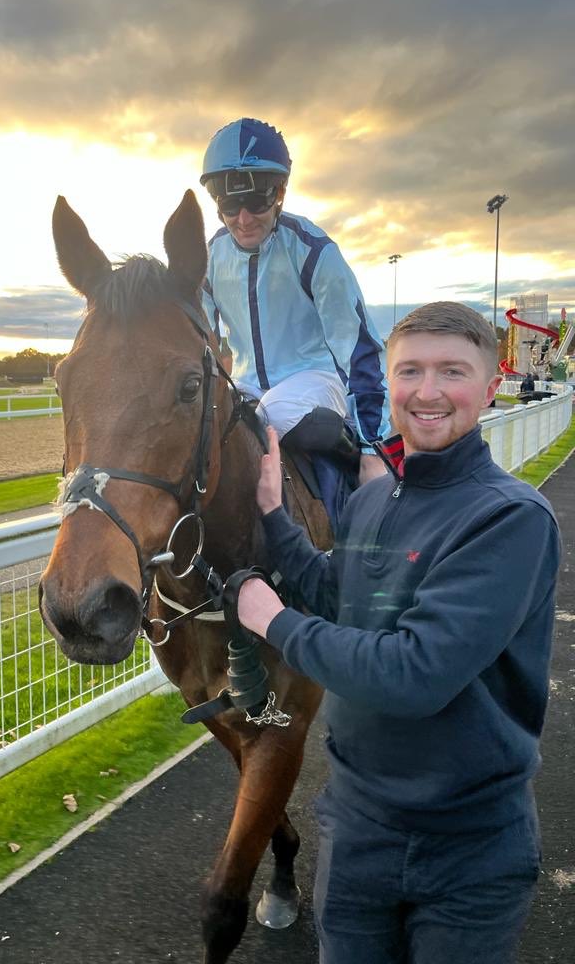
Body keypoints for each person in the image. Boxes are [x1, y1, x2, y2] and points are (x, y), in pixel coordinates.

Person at [236, 301, 560, 963]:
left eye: (452, 371)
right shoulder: (372, 501)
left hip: (467, 849)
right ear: (388, 385)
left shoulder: (511, 518)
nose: (429, 391)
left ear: (492, 385)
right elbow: (339, 598)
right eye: (410, 371)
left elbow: (413, 675)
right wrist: (274, 516)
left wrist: (272, 620)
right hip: (359, 831)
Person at [199, 117, 390, 485]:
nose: (242, 218)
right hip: (249, 384)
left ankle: (354, 464)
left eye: (256, 201)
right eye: (230, 203)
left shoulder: (314, 251)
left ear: (280, 192)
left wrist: (373, 450)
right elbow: (198, 340)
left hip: (316, 378)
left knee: (273, 414)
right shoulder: (210, 258)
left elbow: (359, 349)